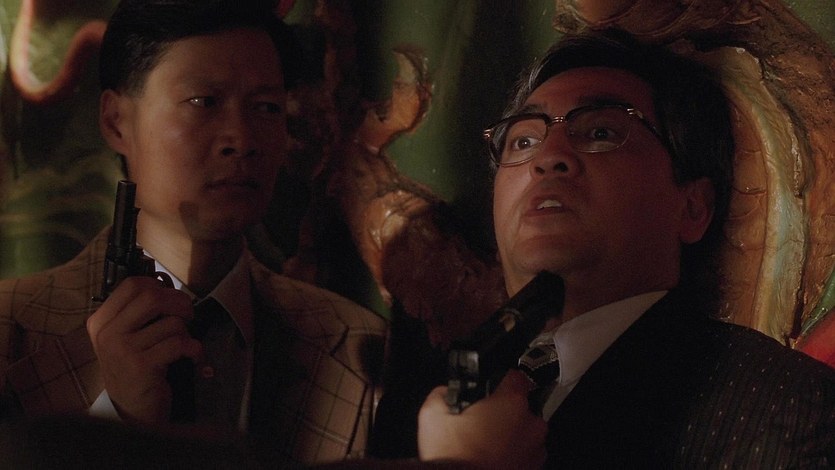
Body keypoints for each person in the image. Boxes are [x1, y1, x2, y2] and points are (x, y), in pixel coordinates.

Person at [414, 29, 835, 468]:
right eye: (523, 141)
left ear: (693, 208)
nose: (548, 156)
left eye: (600, 131)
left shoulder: (782, 406)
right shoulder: (440, 395)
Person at [0, 0, 387, 466]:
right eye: (203, 102)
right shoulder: (11, 330)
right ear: (116, 121)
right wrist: (119, 420)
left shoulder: (358, 346)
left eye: (266, 107)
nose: (241, 139)